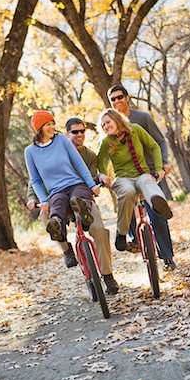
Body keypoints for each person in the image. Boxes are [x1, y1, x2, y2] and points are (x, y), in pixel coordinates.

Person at [26, 113, 119, 294]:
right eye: (48, 124)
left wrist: (92, 185)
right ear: (39, 128)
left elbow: (79, 163)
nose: (53, 127)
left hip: (77, 185)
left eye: (53, 123)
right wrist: (42, 200)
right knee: (55, 212)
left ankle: (107, 276)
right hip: (55, 193)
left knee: (97, 226)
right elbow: (35, 180)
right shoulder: (30, 152)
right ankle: (65, 245)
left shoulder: (61, 140)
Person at [107, 84, 176, 269]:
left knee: (156, 213)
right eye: (112, 99)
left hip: (150, 172)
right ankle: (133, 238)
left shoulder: (141, 118)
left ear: (127, 97)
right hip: (127, 175)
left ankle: (167, 256)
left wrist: (164, 164)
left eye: (119, 97)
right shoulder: (109, 126)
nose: (116, 101)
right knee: (125, 198)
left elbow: (159, 142)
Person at [97, 108, 173, 255]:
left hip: (142, 174)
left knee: (147, 182)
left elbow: (154, 146)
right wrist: (104, 176)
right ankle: (122, 233)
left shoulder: (136, 130)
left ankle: (159, 204)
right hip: (123, 178)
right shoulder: (106, 141)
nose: (106, 127)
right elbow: (100, 162)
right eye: (103, 125)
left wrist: (159, 169)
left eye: (107, 122)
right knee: (128, 191)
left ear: (116, 119)